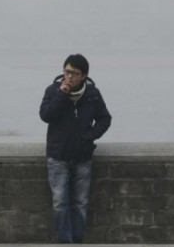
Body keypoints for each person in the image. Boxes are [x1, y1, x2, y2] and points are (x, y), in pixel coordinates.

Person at [39, 53, 112, 243]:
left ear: (84, 76)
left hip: (82, 156)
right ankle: (64, 242)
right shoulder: (52, 91)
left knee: (80, 202)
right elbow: (46, 115)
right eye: (67, 71)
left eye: (74, 73)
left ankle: (77, 240)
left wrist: (88, 137)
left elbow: (105, 119)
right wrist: (61, 95)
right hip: (58, 156)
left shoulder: (92, 94)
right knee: (60, 202)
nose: (69, 76)